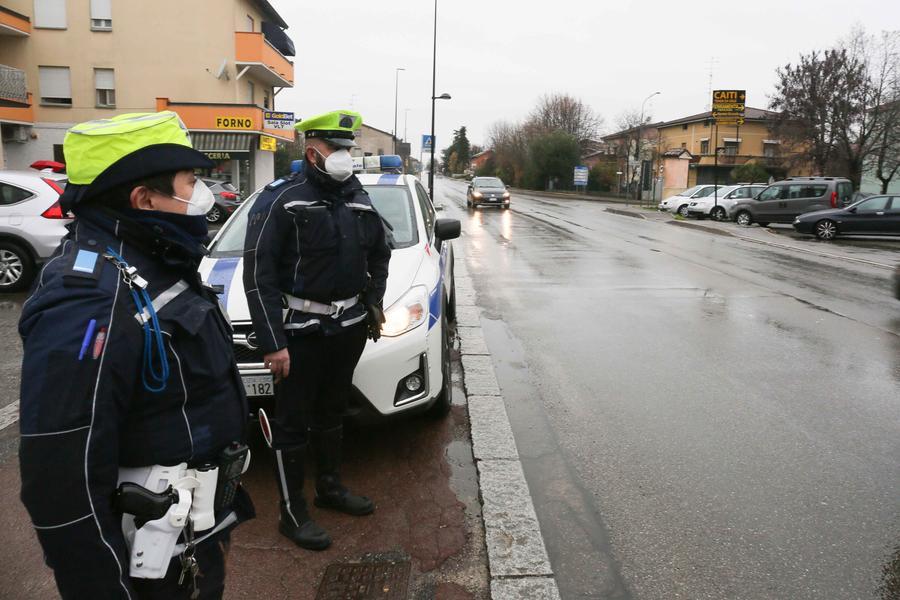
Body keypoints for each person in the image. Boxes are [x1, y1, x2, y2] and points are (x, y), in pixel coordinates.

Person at [18, 111, 253, 599]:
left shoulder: (152, 259)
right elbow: (62, 478)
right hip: (148, 562)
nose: (201, 194)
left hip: (187, 533)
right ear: (144, 199)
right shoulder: (89, 301)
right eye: (190, 182)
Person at [243, 110, 391, 551]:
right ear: (312, 152)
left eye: (349, 148)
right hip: (299, 334)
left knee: (331, 413)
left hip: (346, 330)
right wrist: (273, 342)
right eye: (337, 149)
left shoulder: (358, 197)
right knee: (292, 422)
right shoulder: (281, 199)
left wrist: (372, 302)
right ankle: (292, 512)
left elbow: (379, 252)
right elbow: (258, 276)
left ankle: (329, 490)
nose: (346, 156)